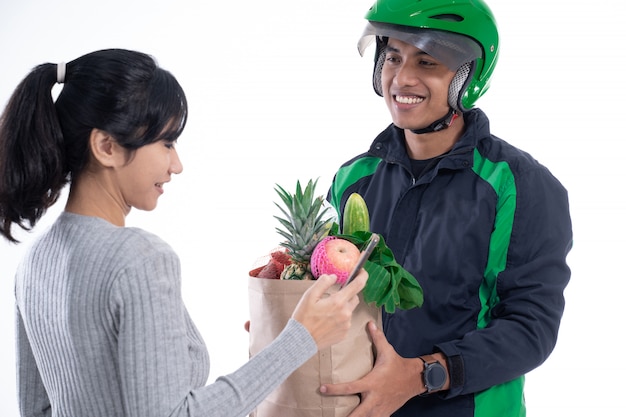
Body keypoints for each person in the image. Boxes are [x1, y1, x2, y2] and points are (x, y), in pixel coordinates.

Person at [0, 48, 367, 417]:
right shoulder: (139, 257)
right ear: (106, 146)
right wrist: (299, 338)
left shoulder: (33, 262)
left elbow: (35, 411)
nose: (176, 164)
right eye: (167, 142)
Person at [319, 0, 573, 416]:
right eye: (393, 56)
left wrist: (422, 375)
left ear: (467, 77)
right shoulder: (354, 179)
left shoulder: (517, 185)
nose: (402, 78)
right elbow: (336, 285)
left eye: (427, 61)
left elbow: (532, 329)